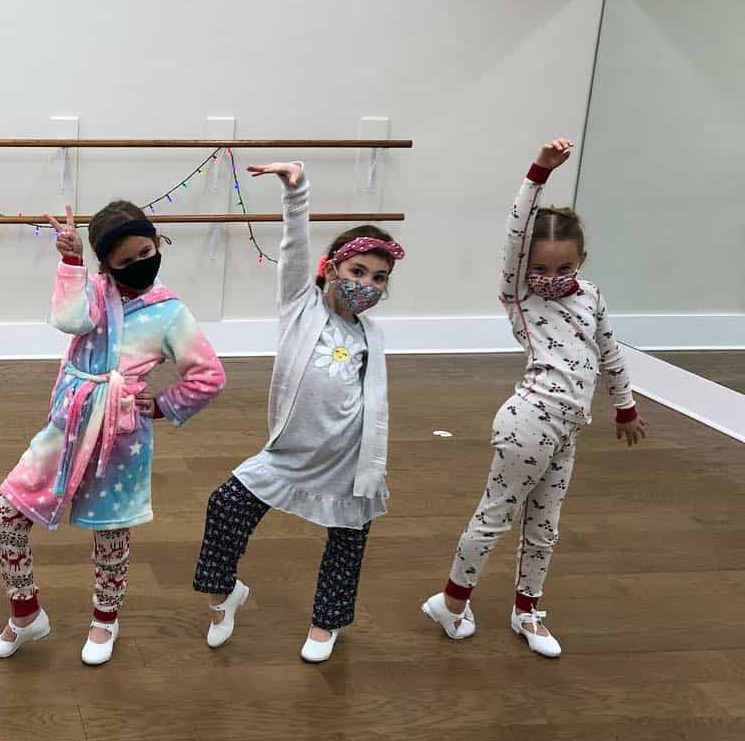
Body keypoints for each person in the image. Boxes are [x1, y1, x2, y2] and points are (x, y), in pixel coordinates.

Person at [422, 138, 644, 658]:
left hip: (569, 428)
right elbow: (516, 235)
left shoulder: (590, 297)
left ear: (581, 260)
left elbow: (609, 352)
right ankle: (451, 604)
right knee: (496, 515)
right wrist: (538, 173)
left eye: (563, 269)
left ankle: (527, 611)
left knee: (545, 526)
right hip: (528, 422)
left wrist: (625, 405)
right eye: (540, 268)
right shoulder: (519, 295)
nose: (550, 279)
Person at [0, 200, 225, 666]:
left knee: (112, 531)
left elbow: (208, 376)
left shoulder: (170, 312)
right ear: (106, 264)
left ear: (157, 244)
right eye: (125, 260)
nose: (140, 264)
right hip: (68, 424)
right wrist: (70, 261)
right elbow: (70, 320)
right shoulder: (92, 291)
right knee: (4, 514)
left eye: (146, 251)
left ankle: (105, 619)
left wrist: (162, 405)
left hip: (121, 434)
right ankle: (26, 612)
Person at [191, 162, 404, 663]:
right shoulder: (300, 308)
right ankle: (225, 597)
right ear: (331, 269)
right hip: (289, 454)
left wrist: (372, 464)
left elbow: (374, 408)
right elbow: (294, 250)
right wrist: (297, 192)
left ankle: (326, 622)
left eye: (379, 278)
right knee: (225, 506)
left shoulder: (371, 335)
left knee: (347, 543)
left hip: (348, 461)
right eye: (357, 272)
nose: (367, 285)